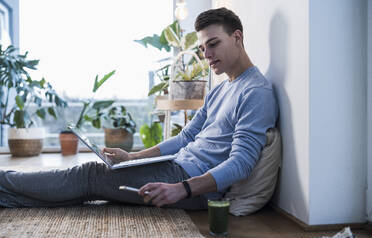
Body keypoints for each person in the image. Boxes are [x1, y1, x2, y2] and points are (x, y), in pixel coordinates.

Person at [0, 7, 278, 209]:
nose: (206, 55)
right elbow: (185, 138)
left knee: (89, 176)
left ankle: (3, 182)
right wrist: (132, 158)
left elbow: (242, 163)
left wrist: (181, 189)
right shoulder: (221, 89)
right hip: (176, 167)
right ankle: (6, 194)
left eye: (213, 44)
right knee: (91, 183)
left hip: (192, 185)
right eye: (204, 47)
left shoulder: (256, 92)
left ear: (238, 38)